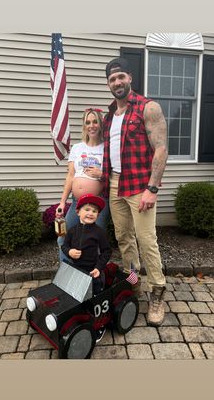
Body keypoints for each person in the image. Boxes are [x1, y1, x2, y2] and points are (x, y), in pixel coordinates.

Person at [102, 57, 168, 326]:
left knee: (145, 239)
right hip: (116, 185)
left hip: (141, 186)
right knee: (124, 239)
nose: (117, 82)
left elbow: (161, 149)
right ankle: (133, 283)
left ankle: (158, 291)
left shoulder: (147, 108)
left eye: (120, 77)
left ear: (130, 78)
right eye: (112, 79)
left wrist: (152, 188)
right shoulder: (109, 114)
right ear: (108, 84)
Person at [56, 108, 109, 261]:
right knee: (62, 237)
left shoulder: (106, 148)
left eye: (95, 122)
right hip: (76, 204)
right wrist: (62, 202)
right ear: (84, 126)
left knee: (95, 241)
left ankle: (93, 276)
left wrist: (101, 174)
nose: (91, 125)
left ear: (100, 124)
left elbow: (114, 175)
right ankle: (66, 275)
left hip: (97, 204)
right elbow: (71, 176)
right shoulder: (77, 148)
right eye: (88, 122)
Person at [61, 193, 112, 342]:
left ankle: (99, 324)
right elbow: (65, 246)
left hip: (92, 272)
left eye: (94, 211)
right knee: (77, 296)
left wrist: (99, 267)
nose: (90, 213)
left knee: (94, 299)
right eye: (87, 209)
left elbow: (106, 251)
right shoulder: (72, 231)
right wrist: (69, 252)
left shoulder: (99, 232)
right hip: (76, 270)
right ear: (78, 212)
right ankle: (79, 317)